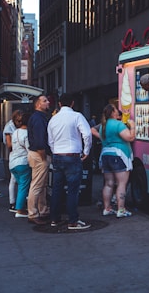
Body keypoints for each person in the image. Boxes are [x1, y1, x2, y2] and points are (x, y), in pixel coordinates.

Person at [47, 93, 93, 230]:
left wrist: (55, 150)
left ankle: (55, 218)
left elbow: (50, 140)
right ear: (72, 103)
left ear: (59, 104)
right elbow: (87, 134)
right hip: (72, 155)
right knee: (73, 189)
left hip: (57, 155)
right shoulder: (77, 116)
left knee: (57, 189)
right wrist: (86, 151)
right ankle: (73, 220)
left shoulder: (53, 120)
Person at [98, 104, 136, 217]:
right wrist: (133, 126)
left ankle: (107, 208)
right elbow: (130, 137)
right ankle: (121, 209)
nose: (118, 112)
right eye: (116, 110)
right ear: (113, 113)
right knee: (121, 183)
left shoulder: (102, 126)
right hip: (119, 155)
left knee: (109, 184)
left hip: (105, 154)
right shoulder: (118, 125)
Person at [26, 95, 51, 225]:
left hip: (37, 153)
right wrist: (43, 156)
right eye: (45, 101)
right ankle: (33, 213)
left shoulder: (37, 117)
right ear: (38, 104)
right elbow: (40, 140)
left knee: (41, 184)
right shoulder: (38, 118)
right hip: (39, 153)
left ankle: (42, 209)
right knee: (37, 185)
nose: (48, 102)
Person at [9, 112, 32, 218]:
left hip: (13, 162)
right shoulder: (27, 133)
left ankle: (20, 206)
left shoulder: (15, 132)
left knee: (21, 186)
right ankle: (20, 210)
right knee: (23, 186)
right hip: (23, 162)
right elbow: (29, 149)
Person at [3, 109, 23, 212]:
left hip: (15, 156)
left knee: (15, 180)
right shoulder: (9, 127)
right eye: (18, 121)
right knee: (14, 180)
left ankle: (14, 202)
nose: (20, 123)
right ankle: (13, 202)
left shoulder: (10, 127)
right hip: (15, 155)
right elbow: (9, 144)